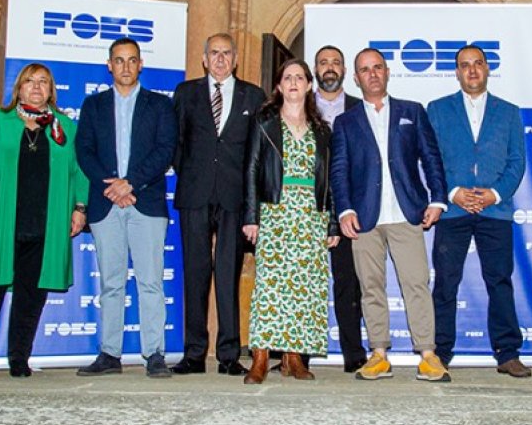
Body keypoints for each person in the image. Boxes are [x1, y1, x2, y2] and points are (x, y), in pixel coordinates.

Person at [0, 63, 89, 379]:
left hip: (44, 223)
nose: (36, 86)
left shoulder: (65, 128)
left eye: (43, 81)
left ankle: (19, 358)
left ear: (51, 91)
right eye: (29, 80)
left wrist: (79, 207)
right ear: (18, 87)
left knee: (32, 296)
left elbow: (78, 171)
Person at [331, 47, 450, 382]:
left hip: (406, 212)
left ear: (386, 72)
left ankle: (428, 354)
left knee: (416, 284)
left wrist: (438, 199)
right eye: (365, 69)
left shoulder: (413, 111)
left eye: (377, 67)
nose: (372, 74)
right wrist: (345, 209)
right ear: (356, 78)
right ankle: (379, 354)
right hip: (365, 217)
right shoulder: (346, 121)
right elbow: (339, 170)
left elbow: (431, 157)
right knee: (370, 287)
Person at [74, 39, 179, 377]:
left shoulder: (160, 106)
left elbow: (165, 150)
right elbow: (84, 151)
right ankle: (109, 353)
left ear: (140, 64)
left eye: (131, 61)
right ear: (109, 65)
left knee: (150, 282)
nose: (125, 67)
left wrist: (129, 183)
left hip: (145, 202)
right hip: (106, 205)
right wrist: (113, 187)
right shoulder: (93, 106)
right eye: (119, 61)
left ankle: (155, 354)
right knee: (112, 283)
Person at [427, 45, 529, 378]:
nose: (471, 71)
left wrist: (494, 194)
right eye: (464, 65)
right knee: (445, 283)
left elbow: (517, 161)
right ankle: (439, 352)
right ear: (456, 72)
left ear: (487, 69)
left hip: (494, 210)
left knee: (499, 281)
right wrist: (453, 192)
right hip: (453, 210)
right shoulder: (438, 110)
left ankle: (508, 353)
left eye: (477, 64)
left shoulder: (509, 112)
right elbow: (432, 159)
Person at [171, 33, 265, 375]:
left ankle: (228, 355)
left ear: (236, 58)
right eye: (215, 53)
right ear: (204, 58)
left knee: (228, 273)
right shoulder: (186, 93)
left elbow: (258, 150)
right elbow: (177, 143)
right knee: (194, 273)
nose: (221, 59)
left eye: (227, 53)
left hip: (234, 197)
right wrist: (193, 175)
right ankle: (194, 354)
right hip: (194, 194)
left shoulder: (253, 96)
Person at [242, 59, 340, 384]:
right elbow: (252, 170)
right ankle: (260, 358)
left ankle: (294, 357)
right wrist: (251, 217)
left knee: (305, 288)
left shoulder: (322, 130)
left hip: (311, 216)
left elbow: (330, 179)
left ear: (309, 85)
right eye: (288, 78)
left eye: (300, 77)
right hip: (276, 211)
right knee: (270, 286)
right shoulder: (264, 122)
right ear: (280, 87)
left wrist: (332, 224)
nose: (294, 83)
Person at [313, 45, 368, 373]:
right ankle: (297, 355)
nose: (330, 68)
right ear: (315, 70)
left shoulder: (360, 109)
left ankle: (353, 354)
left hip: (349, 206)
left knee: (349, 283)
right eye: (323, 63)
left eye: (335, 62)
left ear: (345, 71)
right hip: (306, 206)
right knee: (303, 280)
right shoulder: (298, 107)